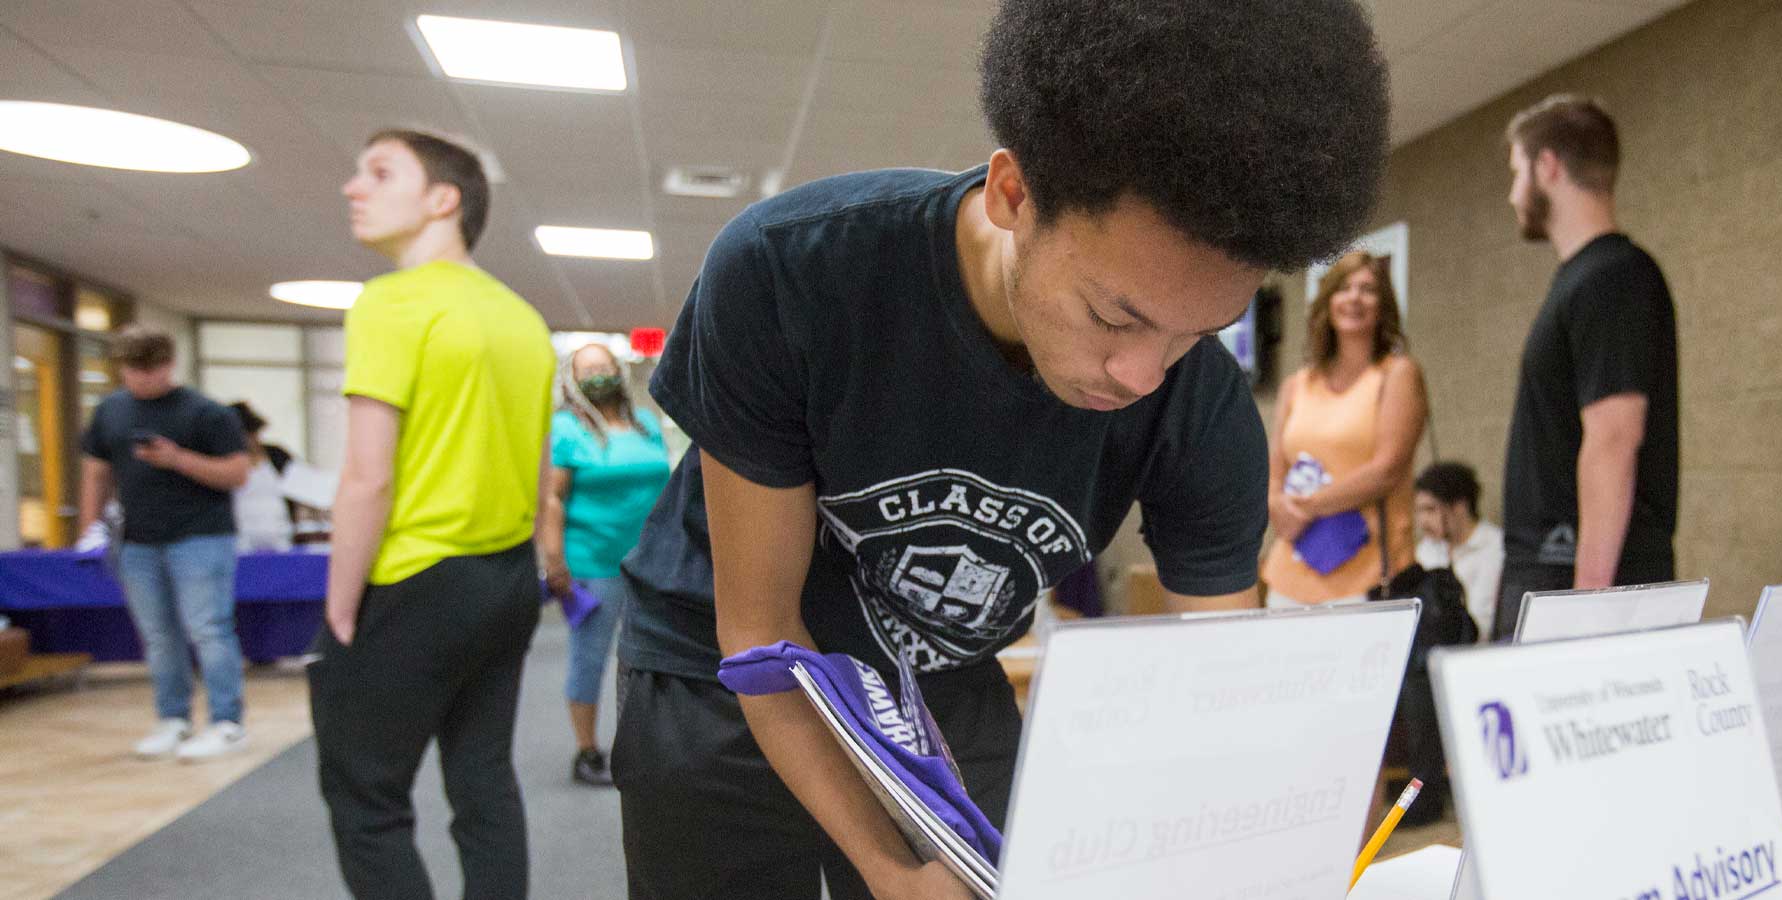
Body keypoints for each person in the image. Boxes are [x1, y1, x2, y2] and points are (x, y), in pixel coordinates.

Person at [609, 2, 1391, 897]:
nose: (1141, 374)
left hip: (938, 677)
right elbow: (758, 633)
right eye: (1114, 315)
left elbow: (1217, 688)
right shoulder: (795, 270)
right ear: (1012, 194)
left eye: (1193, 334)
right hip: (726, 671)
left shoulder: (1199, 403)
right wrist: (886, 870)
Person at [312, 128, 553, 900]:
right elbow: (542, 473)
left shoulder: (390, 302)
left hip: (414, 579)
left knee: (368, 803)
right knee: (483, 782)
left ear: (443, 199)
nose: (354, 186)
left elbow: (366, 478)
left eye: (379, 172)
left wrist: (340, 605)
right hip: (506, 581)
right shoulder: (523, 317)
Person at [1494, 94, 1680, 639]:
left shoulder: (1612, 278)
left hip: (1572, 584)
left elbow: (1614, 440)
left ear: (1547, 166)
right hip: (1550, 574)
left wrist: (1587, 608)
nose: (1512, 194)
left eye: (1516, 172)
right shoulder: (1586, 279)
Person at [77, 325, 254, 761]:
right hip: (137, 540)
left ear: (169, 365)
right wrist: (88, 528)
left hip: (201, 536)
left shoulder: (207, 413)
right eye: (132, 370)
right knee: (158, 635)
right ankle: (173, 717)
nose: (141, 379)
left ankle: (226, 722)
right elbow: (96, 472)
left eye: (150, 369)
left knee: (208, 628)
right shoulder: (110, 411)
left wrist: (177, 459)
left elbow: (237, 473)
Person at [535, 342, 671, 787]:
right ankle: (588, 750)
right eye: (586, 369)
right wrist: (554, 560)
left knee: (651, 657)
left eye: (603, 366)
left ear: (619, 370)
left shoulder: (646, 424)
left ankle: (643, 745)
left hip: (651, 562)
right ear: (572, 380)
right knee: (591, 657)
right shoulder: (567, 430)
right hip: (592, 562)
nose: (597, 375)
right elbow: (552, 498)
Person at [1262, 251, 1428, 607]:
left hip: (1367, 578)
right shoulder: (1297, 384)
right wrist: (1278, 506)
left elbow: (1386, 470)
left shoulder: (1396, 375)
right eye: (1344, 288)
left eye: (1367, 289)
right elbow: (1275, 470)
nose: (1354, 297)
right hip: (1290, 577)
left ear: (1383, 305)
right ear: (1327, 301)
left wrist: (1305, 507)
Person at [1413, 461, 1505, 641]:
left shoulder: (1494, 547)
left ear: (1460, 506)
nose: (1422, 521)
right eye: (1419, 511)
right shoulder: (1427, 549)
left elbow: (1484, 621)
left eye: (1431, 509)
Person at [228, 402, 294, 552]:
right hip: (241, 537)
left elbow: (301, 486)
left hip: (279, 533)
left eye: (253, 434)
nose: (250, 440)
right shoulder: (226, 461)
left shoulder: (278, 455)